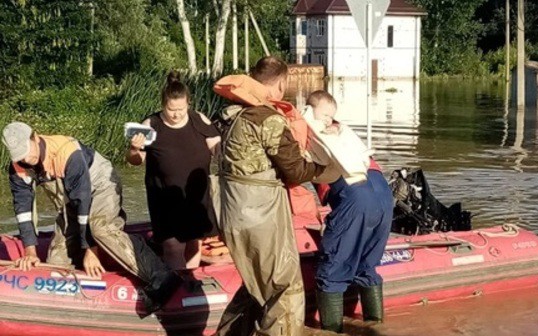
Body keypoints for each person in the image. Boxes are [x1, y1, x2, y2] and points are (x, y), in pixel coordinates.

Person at [2, 121, 181, 313]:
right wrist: (30, 253)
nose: (27, 159)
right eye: (20, 155)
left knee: (99, 228)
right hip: (71, 200)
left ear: (35, 137)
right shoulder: (18, 168)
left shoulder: (68, 153)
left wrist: (91, 250)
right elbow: (23, 211)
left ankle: (161, 276)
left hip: (100, 185)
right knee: (55, 263)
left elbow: (83, 202)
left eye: (28, 152)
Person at [211, 56, 326, 336]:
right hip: (260, 215)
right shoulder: (268, 119)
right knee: (285, 288)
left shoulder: (229, 115)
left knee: (255, 286)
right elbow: (296, 172)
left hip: (230, 214)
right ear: (280, 85)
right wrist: (325, 165)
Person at [306, 90, 394, 333]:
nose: (326, 121)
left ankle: (331, 330)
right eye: (323, 115)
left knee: (332, 269)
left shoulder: (307, 132)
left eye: (329, 116)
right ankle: (375, 326)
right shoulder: (344, 131)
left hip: (356, 196)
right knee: (367, 264)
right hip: (383, 194)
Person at [126, 71, 221, 270]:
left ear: (188, 103)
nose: (176, 114)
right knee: (172, 245)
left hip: (196, 194)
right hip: (164, 196)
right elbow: (135, 161)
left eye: (181, 109)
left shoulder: (199, 120)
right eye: (171, 109)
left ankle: (190, 281)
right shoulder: (151, 124)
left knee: (194, 242)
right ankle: (177, 283)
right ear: (163, 105)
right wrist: (134, 148)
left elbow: (217, 147)